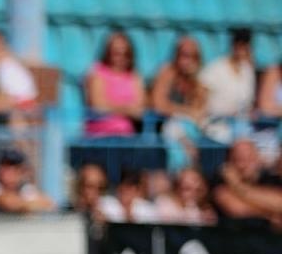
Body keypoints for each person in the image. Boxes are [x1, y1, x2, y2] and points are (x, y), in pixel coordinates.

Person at [150, 36, 211, 172]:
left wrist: (193, 81)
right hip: (166, 126)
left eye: (193, 57)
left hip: (190, 127)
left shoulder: (199, 79)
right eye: (184, 55)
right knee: (174, 129)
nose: (188, 61)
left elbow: (200, 110)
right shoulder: (167, 72)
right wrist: (185, 111)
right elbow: (159, 105)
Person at [84, 31, 145, 138]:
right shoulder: (97, 72)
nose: (120, 57)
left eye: (125, 54)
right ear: (108, 53)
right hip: (100, 134)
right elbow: (98, 106)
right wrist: (126, 109)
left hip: (128, 134)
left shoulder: (134, 75)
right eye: (116, 53)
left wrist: (112, 107)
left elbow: (139, 110)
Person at [211, 138, 282, 230]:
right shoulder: (221, 180)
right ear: (229, 163)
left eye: (250, 158)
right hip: (235, 237)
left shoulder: (271, 180)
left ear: (258, 159)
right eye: (239, 159)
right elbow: (236, 209)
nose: (246, 164)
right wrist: (271, 213)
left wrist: (238, 186)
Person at [199, 27, 256, 142]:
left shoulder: (247, 70)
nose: (243, 49)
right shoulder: (216, 68)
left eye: (245, 46)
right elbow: (200, 100)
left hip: (240, 132)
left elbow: (248, 103)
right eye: (240, 45)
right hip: (214, 130)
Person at [0, 148, 55, 215]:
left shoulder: (24, 188)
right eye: (5, 166)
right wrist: (30, 205)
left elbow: (49, 204)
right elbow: (8, 204)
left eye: (15, 167)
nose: (9, 171)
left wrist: (25, 205)